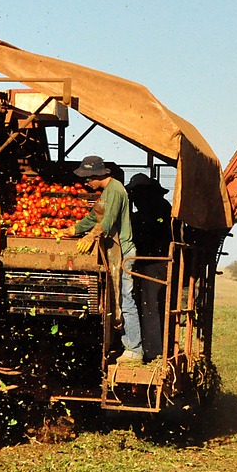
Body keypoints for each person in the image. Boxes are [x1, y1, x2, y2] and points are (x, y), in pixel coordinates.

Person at [72, 155, 143, 364]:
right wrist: (74, 229)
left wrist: (91, 235)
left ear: (97, 175)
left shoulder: (116, 190)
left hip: (125, 253)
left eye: (87, 178)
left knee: (126, 300)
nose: (86, 182)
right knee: (119, 299)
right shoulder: (106, 192)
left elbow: (108, 219)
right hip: (117, 253)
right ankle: (128, 344)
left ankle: (134, 349)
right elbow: (95, 217)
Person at [127, 172, 173, 357]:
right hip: (153, 262)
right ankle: (157, 348)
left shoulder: (156, 210)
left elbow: (150, 230)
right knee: (151, 305)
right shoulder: (159, 207)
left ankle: (154, 351)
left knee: (150, 305)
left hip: (155, 262)